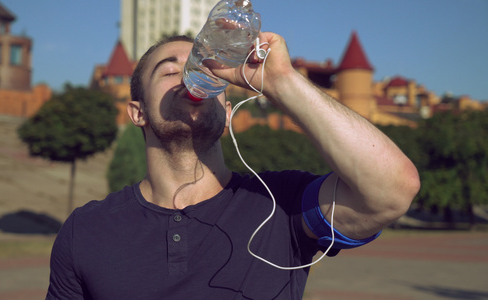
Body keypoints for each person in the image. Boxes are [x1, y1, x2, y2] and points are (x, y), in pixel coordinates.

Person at [46, 32, 420, 299]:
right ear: (137, 112)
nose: (190, 77)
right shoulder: (87, 230)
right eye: (169, 71)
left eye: (202, 70)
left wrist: (280, 81)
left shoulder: (281, 203)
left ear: (228, 113)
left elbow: (393, 190)